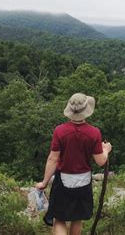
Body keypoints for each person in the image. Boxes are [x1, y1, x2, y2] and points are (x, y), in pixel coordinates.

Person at [35, 93, 112, 235]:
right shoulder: (94, 133)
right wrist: (106, 150)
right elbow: (101, 161)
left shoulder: (60, 131)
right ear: (86, 111)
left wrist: (44, 182)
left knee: (59, 219)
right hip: (83, 181)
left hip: (63, 181)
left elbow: (53, 159)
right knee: (77, 218)